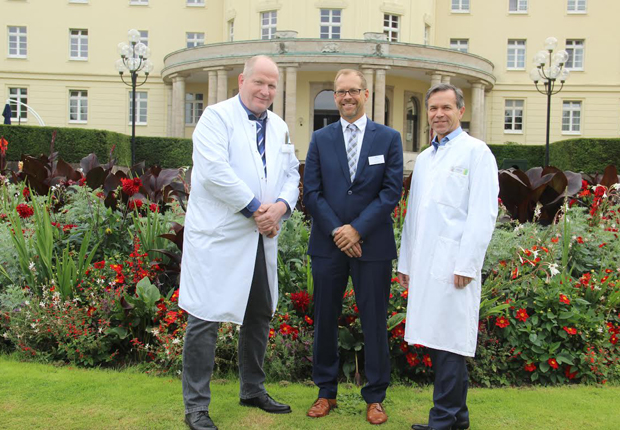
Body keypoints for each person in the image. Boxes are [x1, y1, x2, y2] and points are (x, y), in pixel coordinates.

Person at [178, 55, 300, 430]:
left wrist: (279, 207)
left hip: (261, 237)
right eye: (259, 82)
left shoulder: (278, 126)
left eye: (272, 85)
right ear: (242, 80)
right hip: (221, 238)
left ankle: (252, 389)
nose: (265, 91)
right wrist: (255, 210)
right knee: (205, 318)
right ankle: (196, 406)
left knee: (259, 313)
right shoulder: (215, 117)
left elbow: (292, 171)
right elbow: (214, 172)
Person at [303, 69, 403, 425]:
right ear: (335, 96)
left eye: (353, 91)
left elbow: (391, 192)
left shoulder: (388, 138)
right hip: (328, 246)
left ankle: (375, 397)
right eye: (341, 92)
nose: (347, 97)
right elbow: (311, 193)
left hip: (372, 245)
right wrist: (338, 232)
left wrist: (357, 230)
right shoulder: (320, 138)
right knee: (325, 319)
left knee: (374, 321)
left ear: (366, 93)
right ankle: (325, 392)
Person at [397, 83, 499, 430]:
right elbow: (414, 215)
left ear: (461, 111)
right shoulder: (425, 158)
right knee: (441, 339)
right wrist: (406, 264)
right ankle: (458, 418)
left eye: (446, 108)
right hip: (427, 263)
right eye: (433, 109)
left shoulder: (477, 153)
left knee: (451, 340)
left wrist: (467, 264)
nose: (439, 114)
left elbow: (483, 213)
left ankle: (443, 418)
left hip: (455, 263)